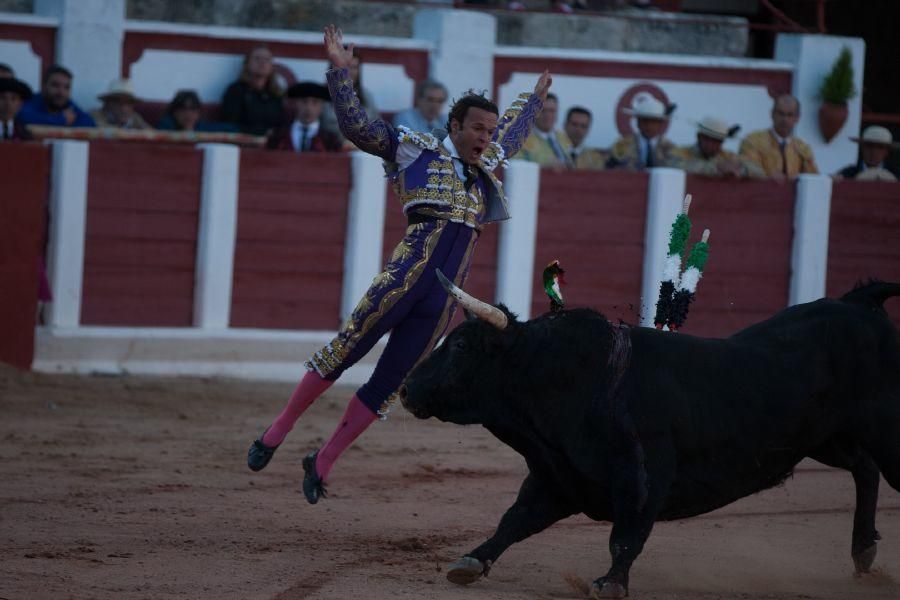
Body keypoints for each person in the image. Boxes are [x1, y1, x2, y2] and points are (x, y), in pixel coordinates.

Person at [247, 24, 551, 505]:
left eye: (489, 131)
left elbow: (511, 137)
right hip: (402, 281)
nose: (486, 139)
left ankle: (323, 460)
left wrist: (532, 102)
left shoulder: (487, 161)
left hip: (441, 301)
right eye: (477, 129)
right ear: (454, 127)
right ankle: (277, 430)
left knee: (389, 384)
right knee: (344, 351)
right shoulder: (417, 149)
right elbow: (356, 128)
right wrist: (339, 73)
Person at [739, 94, 817, 179]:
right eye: (781, 113)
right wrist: (768, 177)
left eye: (790, 115)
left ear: (797, 118)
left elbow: (813, 178)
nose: (785, 119)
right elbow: (747, 168)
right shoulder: (753, 141)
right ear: (772, 114)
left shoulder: (803, 148)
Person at [670, 116, 766, 179]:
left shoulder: (729, 156)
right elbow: (673, 165)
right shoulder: (681, 152)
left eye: (716, 141)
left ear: (722, 142)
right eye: (707, 139)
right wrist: (717, 168)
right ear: (699, 137)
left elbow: (759, 172)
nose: (711, 144)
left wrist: (739, 169)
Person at [220, 45, 284, 136]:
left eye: (267, 59)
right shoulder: (236, 91)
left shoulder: (275, 94)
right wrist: (261, 132)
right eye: (257, 59)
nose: (262, 63)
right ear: (247, 64)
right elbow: (230, 125)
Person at [321, 46, 379, 145]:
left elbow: (377, 127)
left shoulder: (367, 96)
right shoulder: (320, 95)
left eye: (354, 67)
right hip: (330, 150)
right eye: (345, 66)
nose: (350, 72)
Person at [606, 93, 676, 170]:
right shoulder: (621, 146)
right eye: (645, 120)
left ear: (661, 124)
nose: (649, 125)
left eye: (654, 121)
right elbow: (609, 170)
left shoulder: (671, 149)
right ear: (637, 122)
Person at [267, 82, 343, 152]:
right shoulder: (277, 136)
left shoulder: (331, 140)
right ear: (296, 104)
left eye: (315, 102)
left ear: (321, 107)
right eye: (304, 101)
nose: (308, 107)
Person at [17, 64, 95, 128]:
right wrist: (60, 120)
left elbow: (90, 123)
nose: (61, 92)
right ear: (43, 86)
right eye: (55, 85)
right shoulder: (33, 100)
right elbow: (22, 116)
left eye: (66, 87)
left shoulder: (68, 104)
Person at [519, 93, 572, 167]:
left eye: (552, 111)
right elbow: (517, 166)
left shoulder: (562, 138)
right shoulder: (521, 138)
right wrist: (544, 167)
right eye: (543, 111)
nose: (548, 115)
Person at [835, 125, 900, 181]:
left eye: (880, 147)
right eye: (869, 146)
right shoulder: (848, 174)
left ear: (887, 151)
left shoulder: (897, 175)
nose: (874, 151)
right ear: (862, 148)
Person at [156, 90, 236, 132]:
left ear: (199, 113)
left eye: (193, 109)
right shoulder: (166, 126)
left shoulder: (202, 128)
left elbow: (231, 129)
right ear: (174, 112)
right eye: (183, 109)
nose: (188, 114)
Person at [0, 76, 33, 141]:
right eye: (2, 97)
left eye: (13, 99)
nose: (8, 104)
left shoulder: (25, 134)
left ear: (20, 105)